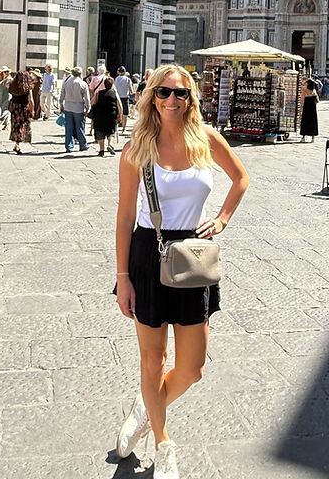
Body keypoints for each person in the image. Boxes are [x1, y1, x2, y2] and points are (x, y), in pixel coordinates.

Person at [114, 65, 249, 477]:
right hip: (147, 254)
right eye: (164, 93)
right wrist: (122, 278)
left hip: (192, 256)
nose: (172, 100)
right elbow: (123, 217)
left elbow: (241, 178)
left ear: (192, 99)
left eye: (181, 94)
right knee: (153, 360)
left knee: (192, 368)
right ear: (152, 97)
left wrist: (222, 219)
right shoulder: (139, 147)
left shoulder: (207, 140)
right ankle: (163, 442)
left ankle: (147, 405)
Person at [60, 66, 90, 153]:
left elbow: (62, 93)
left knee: (68, 127)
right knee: (79, 127)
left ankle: (69, 146)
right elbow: (86, 98)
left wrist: (61, 103)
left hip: (68, 106)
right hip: (78, 107)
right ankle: (83, 144)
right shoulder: (83, 84)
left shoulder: (67, 82)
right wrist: (88, 107)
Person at [90, 76, 122, 156]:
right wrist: (120, 116)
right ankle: (110, 145)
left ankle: (101, 150)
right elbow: (120, 105)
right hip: (111, 115)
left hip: (100, 116)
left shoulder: (98, 93)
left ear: (104, 84)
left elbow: (92, 102)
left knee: (100, 132)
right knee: (111, 132)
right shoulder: (114, 93)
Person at [8, 70, 34, 154]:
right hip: (23, 108)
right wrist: (32, 110)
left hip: (15, 107)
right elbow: (31, 100)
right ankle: (17, 144)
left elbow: (6, 85)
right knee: (22, 125)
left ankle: (16, 143)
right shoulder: (27, 88)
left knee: (15, 126)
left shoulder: (12, 86)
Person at [114, 66, 133, 134]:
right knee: (125, 114)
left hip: (118, 97)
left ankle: (115, 128)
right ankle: (123, 129)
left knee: (117, 113)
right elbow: (131, 90)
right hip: (125, 97)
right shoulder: (128, 79)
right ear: (124, 72)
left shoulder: (116, 79)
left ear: (118, 72)